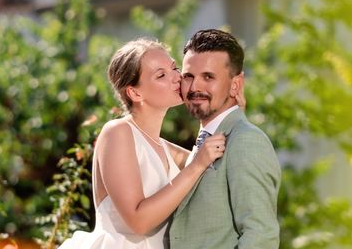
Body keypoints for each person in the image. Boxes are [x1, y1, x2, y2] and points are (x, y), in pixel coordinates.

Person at [58, 38, 226, 249]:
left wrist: (226, 102)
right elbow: (139, 221)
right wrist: (197, 166)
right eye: (161, 75)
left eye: (174, 67)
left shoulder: (167, 149)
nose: (177, 77)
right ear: (135, 93)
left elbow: (219, 167)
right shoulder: (117, 132)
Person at [166, 28, 281, 249]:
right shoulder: (202, 143)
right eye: (188, 76)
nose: (195, 87)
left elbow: (261, 236)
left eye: (208, 77)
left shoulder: (246, 142)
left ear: (235, 84)